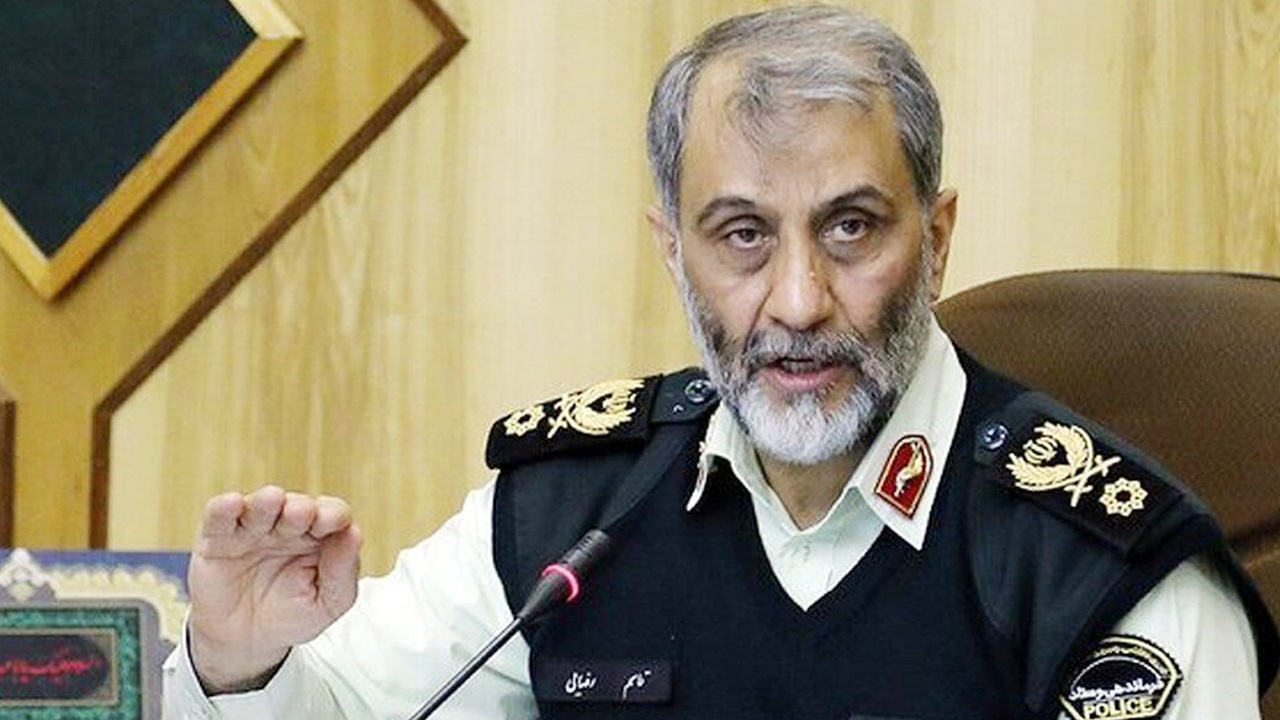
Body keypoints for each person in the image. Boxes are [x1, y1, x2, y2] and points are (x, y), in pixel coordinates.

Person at [164, 6, 1278, 719]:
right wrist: (238, 665)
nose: (796, 301)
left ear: (935, 240)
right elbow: (347, 705)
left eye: (850, 228)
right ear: (674, 252)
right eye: (742, 234)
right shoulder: (570, 511)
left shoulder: (1105, 574)